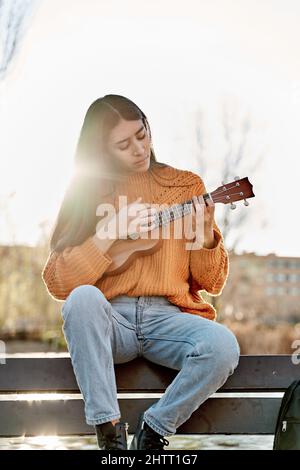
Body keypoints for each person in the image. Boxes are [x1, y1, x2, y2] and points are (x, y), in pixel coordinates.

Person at [41, 94, 240, 450]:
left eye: (142, 133)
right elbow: (59, 283)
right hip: (110, 321)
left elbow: (213, 283)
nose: (139, 148)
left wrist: (206, 235)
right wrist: (108, 233)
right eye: (123, 144)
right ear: (101, 150)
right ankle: (110, 432)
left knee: (222, 346)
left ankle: (154, 431)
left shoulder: (185, 186)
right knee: (82, 298)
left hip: (170, 321)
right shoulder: (85, 190)